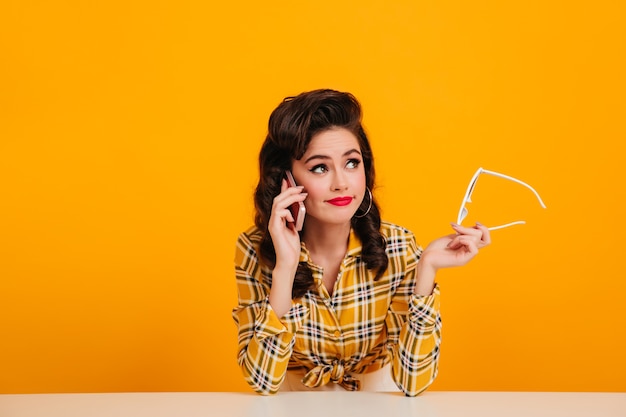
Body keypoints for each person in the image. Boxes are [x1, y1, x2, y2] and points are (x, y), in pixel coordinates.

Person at [232, 89, 491, 396]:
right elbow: (262, 382)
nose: (341, 182)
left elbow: (413, 383)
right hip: (291, 403)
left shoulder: (397, 245)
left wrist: (427, 270)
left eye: (352, 163)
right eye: (320, 167)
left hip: (378, 400)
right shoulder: (253, 248)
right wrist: (285, 269)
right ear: (286, 181)